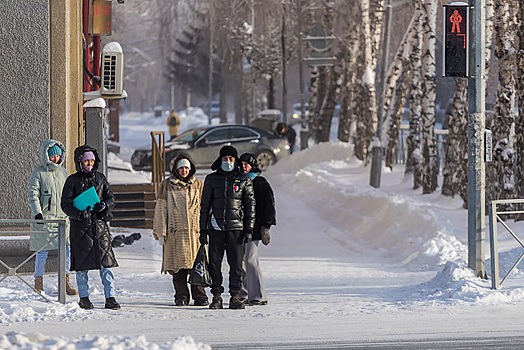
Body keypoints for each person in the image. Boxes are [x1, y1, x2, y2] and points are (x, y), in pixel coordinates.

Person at [61, 145, 120, 310]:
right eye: (86, 160)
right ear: (80, 161)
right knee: (82, 267)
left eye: (92, 160)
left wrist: (104, 205)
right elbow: (65, 204)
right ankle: (84, 298)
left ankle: (110, 297)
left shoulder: (100, 178)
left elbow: (111, 197)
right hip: (80, 229)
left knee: (106, 266)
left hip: (100, 228)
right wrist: (78, 214)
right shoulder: (72, 181)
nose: (89, 163)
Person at [199, 145, 255, 310]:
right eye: (225, 159)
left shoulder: (244, 179)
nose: (228, 161)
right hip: (216, 228)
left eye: (231, 159)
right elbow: (204, 206)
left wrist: (249, 229)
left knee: (236, 265)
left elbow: (250, 206)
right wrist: (203, 229)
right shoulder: (211, 179)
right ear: (220, 160)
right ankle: (216, 295)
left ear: (235, 161)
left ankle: (235, 295)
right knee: (214, 264)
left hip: (236, 229)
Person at [152, 155, 208, 307]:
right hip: (175, 234)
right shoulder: (167, 185)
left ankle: (200, 296)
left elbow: (205, 208)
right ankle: (181, 296)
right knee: (178, 268)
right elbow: (161, 208)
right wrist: (161, 231)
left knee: (197, 267)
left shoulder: (198, 185)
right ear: (176, 169)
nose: (184, 171)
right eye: (181, 168)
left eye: (186, 168)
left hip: (195, 234)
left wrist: (206, 229)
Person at [27, 139, 78, 296]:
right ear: (46, 156)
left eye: (58, 156)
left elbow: (69, 193)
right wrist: (38, 213)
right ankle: (38, 281)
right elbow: (33, 194)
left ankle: (65, 280)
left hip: (62, 219)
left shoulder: (63, 172)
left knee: (67, 250)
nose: (55, 159)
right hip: (44, 219)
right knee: (42, 251)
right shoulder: (38, 173)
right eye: (52, 156)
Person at [238, 153, 276, 306]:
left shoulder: (260, 183)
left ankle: (259, 295)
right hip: (239, 228)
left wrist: (266, 226)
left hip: (254, 229)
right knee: (240, 262)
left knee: (250, 260)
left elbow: (269, 206)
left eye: (247, 164)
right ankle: (244, 293)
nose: (244, 167)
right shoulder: (238, 181)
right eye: (241, 164)